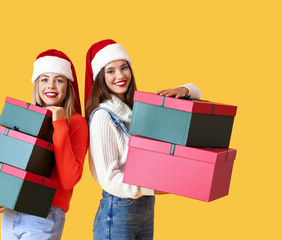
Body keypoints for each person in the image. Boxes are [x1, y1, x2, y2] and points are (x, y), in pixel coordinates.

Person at [85, 39, 202, 240]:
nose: (120, 76)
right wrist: (160, 186)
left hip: (145, 208)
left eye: (124, 68)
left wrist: (183, 90)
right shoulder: (103, 117)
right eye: (110, 71)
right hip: (119, 211)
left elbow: (197, 91)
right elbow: (110, 180)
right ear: (100, 78)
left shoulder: (136, 110)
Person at [0, 49, 89, 240]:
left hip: (44, 215)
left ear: (68, 86)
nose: (51, 86)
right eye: (44, 79)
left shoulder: (76, 122)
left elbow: (69, 179)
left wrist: (59, 123)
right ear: (37, 84)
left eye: (59, 80)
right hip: (11, 213)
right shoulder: (25, 117)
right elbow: (2, 163)